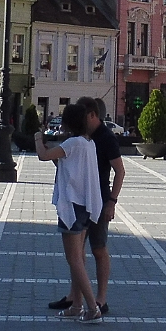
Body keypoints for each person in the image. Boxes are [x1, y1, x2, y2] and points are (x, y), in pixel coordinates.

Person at [48, 96, 125, 317]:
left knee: (98, 249)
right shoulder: (81, 136)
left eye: (82, 115)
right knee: (77, 253)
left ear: (92, 115)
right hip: (79, 200)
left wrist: (112, 201)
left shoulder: (106, 137)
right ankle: (75, 298)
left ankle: (100, 299)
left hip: (99, 199)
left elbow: (120, 170)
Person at [35, 103, 102, 324]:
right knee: (79, 257)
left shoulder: (72, 143)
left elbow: (44, 156)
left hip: (72, 205)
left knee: (73, 258)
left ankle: (92, 307)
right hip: (85, 204)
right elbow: (66, 165)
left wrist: (37, 137)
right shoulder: (88, 143)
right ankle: (76, 305)